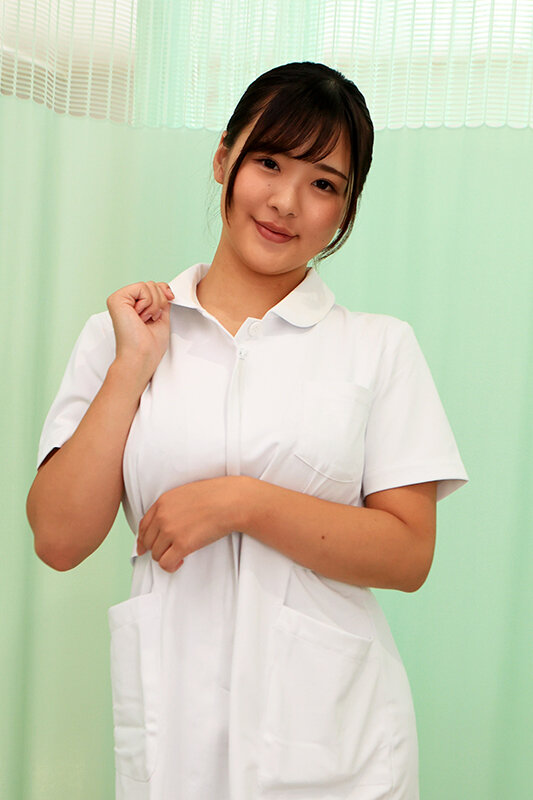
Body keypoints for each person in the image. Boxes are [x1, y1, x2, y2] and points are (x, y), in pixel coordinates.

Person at [27, 61, 468, 800]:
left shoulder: (378, 347)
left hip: (336, 740)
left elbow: (407, 553)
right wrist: (133, 367)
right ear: (223, 159)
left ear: (344, 211)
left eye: (323, 183)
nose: (286, 202)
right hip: (177, 730)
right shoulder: (122, 334)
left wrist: (242, 503)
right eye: (268, 162)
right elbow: (58, 539)